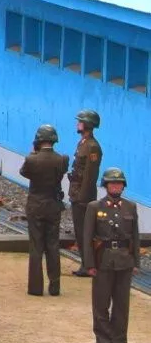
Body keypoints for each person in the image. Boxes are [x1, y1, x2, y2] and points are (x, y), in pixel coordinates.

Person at [82, 168, 139, 343]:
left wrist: (136, 262)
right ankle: (103, 342)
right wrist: (89, 264)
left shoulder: (130, 207)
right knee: (101, 304)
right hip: (103, 260)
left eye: (119, 183)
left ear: (123, 187)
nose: (116, 186)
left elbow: (135, 238)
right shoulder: (95, 207)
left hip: (124, 261)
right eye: (112, 183)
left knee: (122, 305)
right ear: (106, 186)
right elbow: (88, 237)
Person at [20, 125, 68, 296]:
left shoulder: (32, 160)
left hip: (35, 206)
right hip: (53, 206)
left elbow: (24, 172)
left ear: (38, 140)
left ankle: (35, 287)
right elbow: (61, 173)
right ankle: (55, 286)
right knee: (53, 246)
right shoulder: (61, 159)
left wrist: (33, 153)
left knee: (36, 247)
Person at [70, 109, 103, 278]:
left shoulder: (92, 147)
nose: (78, 123)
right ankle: (85, 263)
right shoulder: (83, 143)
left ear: (87, 124)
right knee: (79, 231)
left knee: (85, 232)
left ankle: (88, 265)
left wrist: (82, 198)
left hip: (83, 197)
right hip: (76, 194)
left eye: (80, 121)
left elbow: (90, 176)